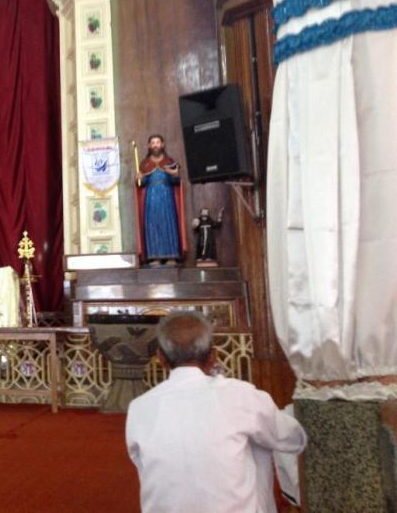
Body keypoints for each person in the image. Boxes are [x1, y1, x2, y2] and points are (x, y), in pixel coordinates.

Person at [125, 311, 307, 512]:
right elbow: (293, 439)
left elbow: (144, 465)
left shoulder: (140, 407)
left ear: (161, 358)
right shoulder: (240, 394)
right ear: (213, 357)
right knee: (261, 437)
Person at [135, 134, 185, 266]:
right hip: (151, 198)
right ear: (149, 146)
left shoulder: (169, 162)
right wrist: (139, 178)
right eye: (153, 143)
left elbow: (175, 181)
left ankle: (171, 256)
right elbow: (142, 184)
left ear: (162, 145)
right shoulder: (145, 164)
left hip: (167, 197)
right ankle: (154, 256)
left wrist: (175, 175)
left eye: (158, 142)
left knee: (168, 223)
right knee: (153, 225)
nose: (155, 145)